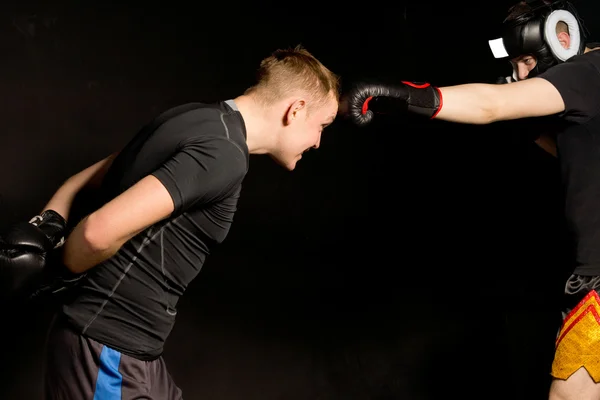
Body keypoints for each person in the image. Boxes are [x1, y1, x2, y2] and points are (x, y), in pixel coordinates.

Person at [0, 44, 339, 399]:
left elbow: (77, 183)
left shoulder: (194, 117)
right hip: (107, 350)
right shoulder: (223, 155)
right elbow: (97, 233)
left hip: (135, 353)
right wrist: (53, 273)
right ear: (296, 110)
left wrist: (46, 224)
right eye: (322, 125)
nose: (318, 142)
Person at [339, 1, 600, 399]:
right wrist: (528, 129)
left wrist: (403, 97)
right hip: (592, 271)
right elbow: (577, 153)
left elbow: (489, 104)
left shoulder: (586, 72)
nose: (520, 73)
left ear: (563, 38)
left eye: (527, 60)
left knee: (571, 393)